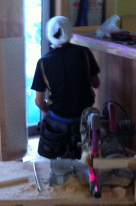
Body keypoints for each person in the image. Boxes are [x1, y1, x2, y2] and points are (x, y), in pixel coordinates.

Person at [31, 16, 100, 158]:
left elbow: (39, 101)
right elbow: (96, 83)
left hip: (59, 119)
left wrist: (48, 110)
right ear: (69, 32)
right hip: (84, 116)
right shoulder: (84, 52)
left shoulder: (43, 62)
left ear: (49, 34)